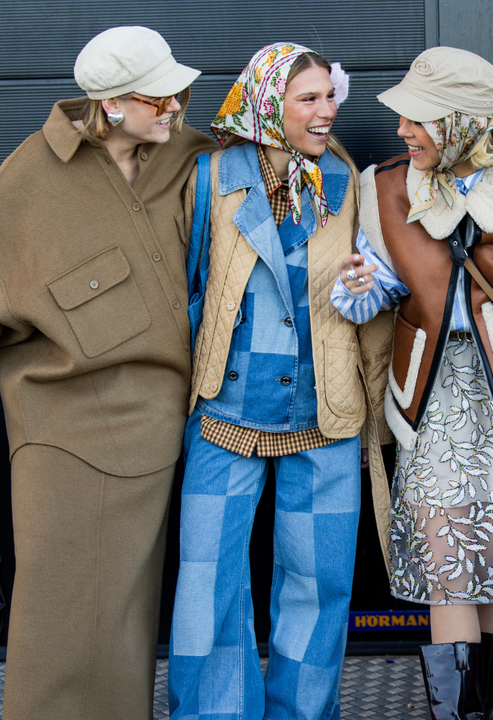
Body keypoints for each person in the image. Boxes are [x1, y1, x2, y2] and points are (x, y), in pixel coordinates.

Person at [0, 26, 215, 718]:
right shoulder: (29, 177)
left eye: (180, 95)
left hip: (158, 422)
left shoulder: (193, 159)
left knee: (122, 611)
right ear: (110, 105)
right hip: (62, 425)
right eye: (160, 97)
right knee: (60, 604)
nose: (175, 108)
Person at [331, 46, 493, 720]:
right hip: (430, 401)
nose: (402, 132)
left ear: (463, 122)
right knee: (446, 566)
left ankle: (481, 709)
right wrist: (357, 288)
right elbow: (374, 298)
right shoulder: (384, 186)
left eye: (418, 120)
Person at [166, 43, 377, 720]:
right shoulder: (210, 178)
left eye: (329, 96)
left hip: (324, 411)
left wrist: (364, 291)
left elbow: (368, 300)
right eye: (307, 98)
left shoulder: (343, 180)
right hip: (225, 408)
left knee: (318, 590)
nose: (326, 112)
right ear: (267, 104)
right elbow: (184, 291)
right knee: (208, 589)